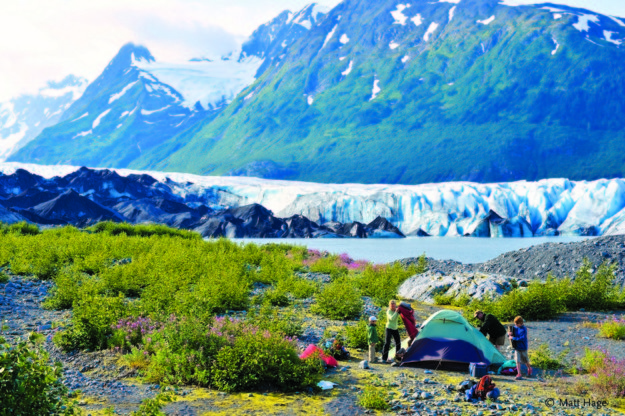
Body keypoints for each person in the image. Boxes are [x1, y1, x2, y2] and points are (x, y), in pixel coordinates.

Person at [509, 315, 532, 380]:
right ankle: (519, 373)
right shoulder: (515, 327)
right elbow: (510, 334)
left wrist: (513, 338)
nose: (516, 325)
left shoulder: (523, 329)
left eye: (517, 323)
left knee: (525, 360)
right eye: (515, 323)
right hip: (517, 347)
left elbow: (522, 338)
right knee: (517, 360)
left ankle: (529, 368)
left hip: (523, 347)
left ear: (521, 323)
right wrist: (509, 334)